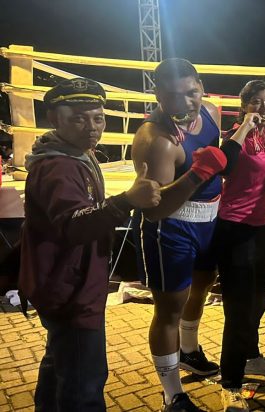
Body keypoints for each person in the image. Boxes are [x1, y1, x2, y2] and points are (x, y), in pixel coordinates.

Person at [18, 78, 160, 410]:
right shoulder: (59, 167)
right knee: (84, 382)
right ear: (54, 118)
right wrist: (126, 201)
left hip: (64, 282)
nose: (92, 127)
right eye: (79, 118)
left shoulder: (75, 155)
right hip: (70, 289)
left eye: (98, 118)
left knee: (60, 363)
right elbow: (73, 224)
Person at [132, 58, 240, 411]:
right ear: (159, 96)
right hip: (172, 228)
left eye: (192, 92)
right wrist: (197, 173)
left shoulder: (211, 111)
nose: (186, 103)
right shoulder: (157, 141)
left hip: (209, 219)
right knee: (169, 310)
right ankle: (172, 394)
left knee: (203, 286)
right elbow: (155, 209)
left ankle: (189, 351)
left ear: (201, 87)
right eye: (175, 96)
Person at [215, 80, 265, 409]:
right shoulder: (237, 135)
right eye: (256, 102)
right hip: (235, 228)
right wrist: (245, 125)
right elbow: (226, 165)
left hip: (262, 227)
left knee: (259, 300)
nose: (264, 107)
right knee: (238, 308)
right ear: (244, 106)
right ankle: (230, 381)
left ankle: (251, 355)